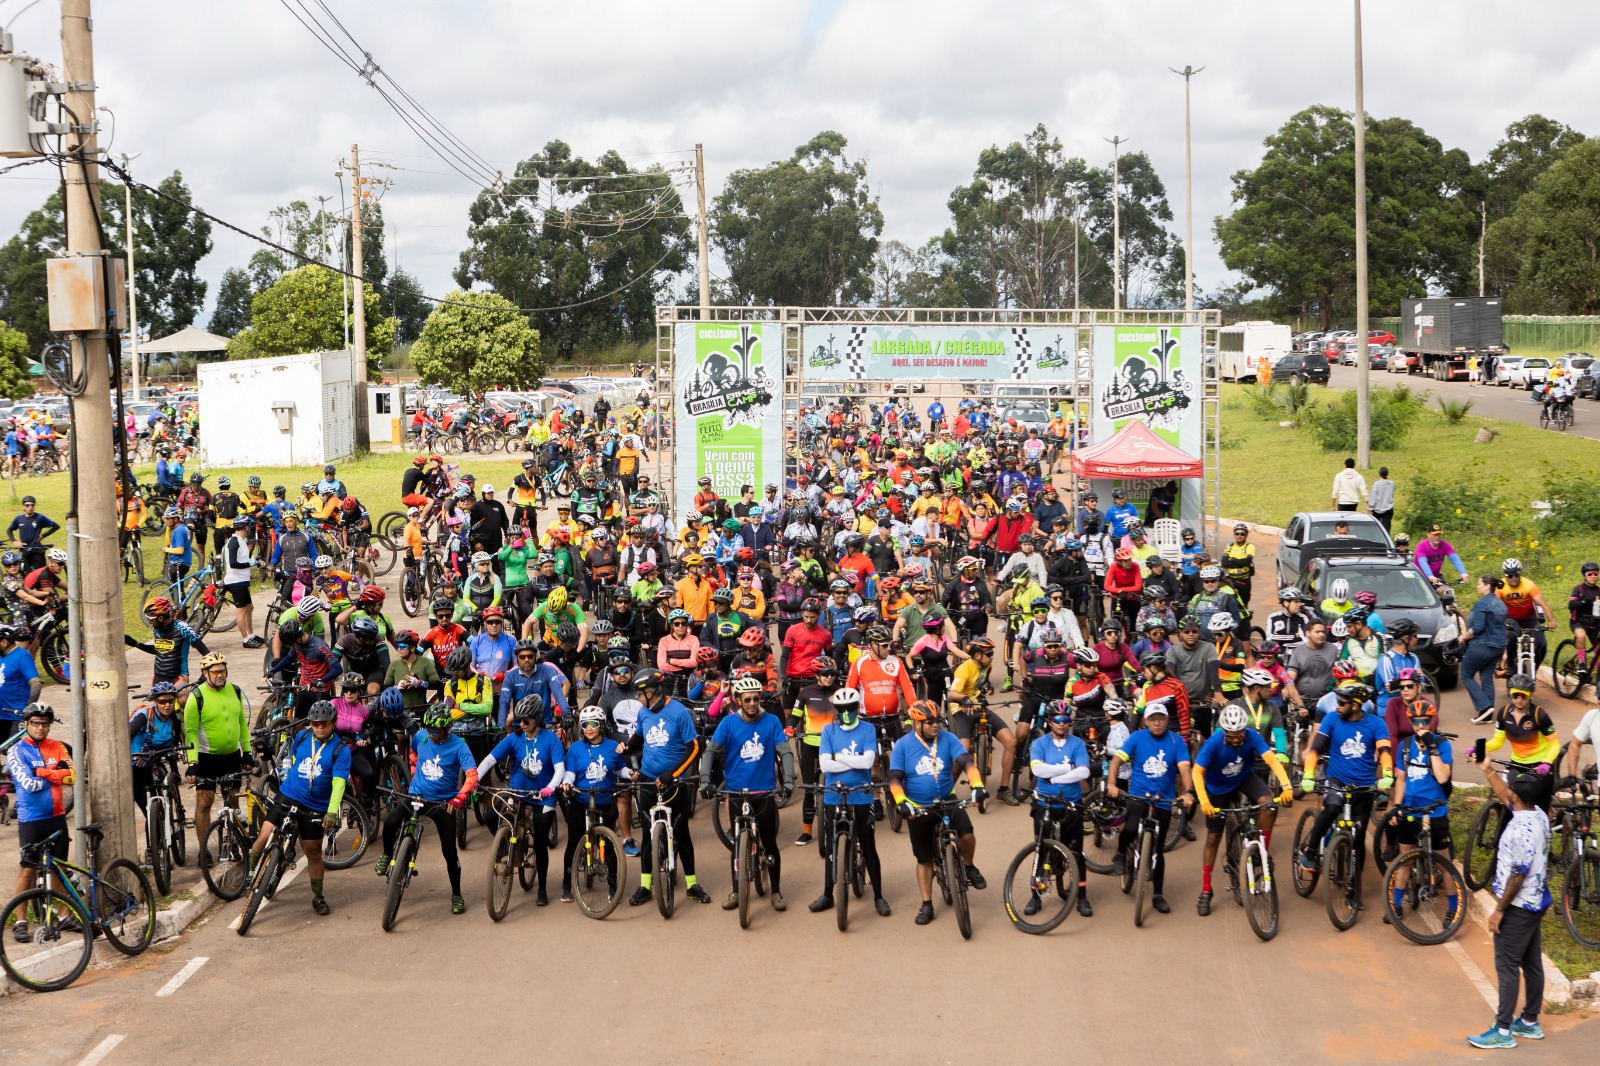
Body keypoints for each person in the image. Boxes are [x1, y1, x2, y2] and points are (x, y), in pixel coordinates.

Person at [1463, 755, 1552, 1049]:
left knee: (1507, 964)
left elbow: (1517, 874)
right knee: (1531, 962)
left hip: (1517, 906)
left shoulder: (1521, 829)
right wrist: (1487, 770)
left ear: (1518, 796)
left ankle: (1502, 1031)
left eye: (1512, 789)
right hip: (1536, 901)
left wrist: (1499, 911)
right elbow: (1505, 794)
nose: (1508, 790)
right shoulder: (1537, 814)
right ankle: (1529, 1022)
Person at [888, 699, 987, 926]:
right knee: (924, 859)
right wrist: (901, 801)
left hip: (946, 799)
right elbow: (894, 777)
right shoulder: (902, 745)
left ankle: (969, 867)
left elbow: (966, 761)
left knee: (967, 833)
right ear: (916, 723)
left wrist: (977, 785)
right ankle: (927, 903)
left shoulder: (948, 738)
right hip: (918, 805)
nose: (935, 726)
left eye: (937, 721)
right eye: (929, 722)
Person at [1192, 700, 1293, 916]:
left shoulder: (1252, 736)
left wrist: (1286, 787)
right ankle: (1206, 890)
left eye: (1239, 733)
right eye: (1231, 734)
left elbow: (1273, 762)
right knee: (1213, 838)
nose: (1237, 738)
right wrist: (1204, 802)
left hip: (1244, 778)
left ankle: (1261, 851)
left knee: (1268, 805)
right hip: (1217, 788)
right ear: (1224, 732)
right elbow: (1197, 771)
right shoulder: (1213, 743)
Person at [701, 676, 795, 911]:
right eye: (748, 699)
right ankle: (736, 891)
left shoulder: (771, 721)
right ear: (738, 700)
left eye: (756, 698)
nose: (753, 703)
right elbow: (711, 751)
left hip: (764, 792)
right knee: (736, 847)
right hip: (736, 792)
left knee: (770, 843)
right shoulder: (728, 724)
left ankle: (776, 891)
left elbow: (785, 751)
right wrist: (704, 780)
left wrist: (790, 780)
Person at [376, 702, 478, 915]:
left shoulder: (459, 746)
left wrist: (458, 799)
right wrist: (414, 771)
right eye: (429, 729)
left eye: (436, 731)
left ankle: (457, 894)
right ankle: (387, 855)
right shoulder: (421, 736)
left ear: (447, 728)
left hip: (442, 803)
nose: (431, 734)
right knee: (391, 823)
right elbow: (413, 753)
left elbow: (472, 775)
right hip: (416, 796)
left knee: (449, 852)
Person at [252, 700, 349, 916]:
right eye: (316, 723)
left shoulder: (341, 751)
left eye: (325, 723)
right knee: (263, 837)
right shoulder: (303, 737)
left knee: (313, 852)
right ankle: (251, 876)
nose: (320, 727)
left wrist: (332, 811)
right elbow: (295, 758)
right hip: (289, 794)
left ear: (333, 723)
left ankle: (318, 897)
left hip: (317, 805)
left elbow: (339, 783)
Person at [1298, 680, 1392, 896]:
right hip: (1336, 779)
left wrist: (1387, 775)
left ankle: (1354, 888)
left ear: (1356, 705)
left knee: (1358, 839)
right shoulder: (1332, 719)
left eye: (1341, 702)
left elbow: (1385, 751)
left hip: (1364, 785)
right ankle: (1311, 851)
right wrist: (1309, 776)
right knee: (1330, 809)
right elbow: (1314, 749)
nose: (1337, 706)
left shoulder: (1376, 724)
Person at [626, 668, 712, 906]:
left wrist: (672, 774)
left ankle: (692, 884)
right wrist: (627, 747)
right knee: (646, 835)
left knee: (682, 833)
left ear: (651, 692)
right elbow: (640, 737)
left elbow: (693, 747)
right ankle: (645, 886)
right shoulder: (644, 712)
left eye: (639, 693)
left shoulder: (679, 712)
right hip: (647, 779)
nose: (637, 698)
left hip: (674, 782)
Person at [1106, 698, 1194, 915]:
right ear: (1145, 721)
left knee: (1158, 848)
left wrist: (1188, 792)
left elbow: (1184, 768)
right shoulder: (1137, 738)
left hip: (1163, 799)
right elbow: (1117, 760)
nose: (1157, 723)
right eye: (1152, 719)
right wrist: (1111, 783)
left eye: (1161, 719)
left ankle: (1157, 895)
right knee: (1129, 827)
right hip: (1138, 795)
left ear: (1167, 720)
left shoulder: (1176, 742)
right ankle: (1119, 853)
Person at [810, 686, 891, 916]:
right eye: (842, 709)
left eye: (851, 708)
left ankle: (878, 896)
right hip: (833, 794)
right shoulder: (828, 731)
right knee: (831, 845)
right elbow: (825, 766)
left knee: (869, 846)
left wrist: (839, 757)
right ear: (837, 709)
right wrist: (853, 760)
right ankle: (827, 894)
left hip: (861, 794)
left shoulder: (868, 729)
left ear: (857, 708)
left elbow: (867, 763)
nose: (847, 713)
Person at [479, 694, 565, 905]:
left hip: (542, 796)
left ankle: (542, 889)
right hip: (518, 791)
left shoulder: (550, 739)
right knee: (492, 815)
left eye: (526, 720)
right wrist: (475, 778)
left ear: (537, 718)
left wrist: (550, 787)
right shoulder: (514, 738)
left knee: (541, 843)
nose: (522, 724)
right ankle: (504, 846)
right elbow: (491, 758)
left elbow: (560, 769)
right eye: (519, 720)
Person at [7, 704, 73, 940]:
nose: (40, 727)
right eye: (35, 723)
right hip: (32, 819)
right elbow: (28, 785)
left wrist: (44, 773)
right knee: (28, 869)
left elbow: (72, 777)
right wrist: (55, 774)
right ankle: (21, 922)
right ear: (26, 724)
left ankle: (64, 917)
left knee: (59, 869)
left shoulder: (58, 746)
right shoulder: (17, 751)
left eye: (45, 723)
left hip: (57, 816)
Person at [1026, 700, 1096, 917]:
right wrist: (1068, 768)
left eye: (1066, 720)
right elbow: (1038, 770)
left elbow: (1084, 773)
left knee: (1076, 854)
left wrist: (1053, 776)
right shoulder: (1039, 744)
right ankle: (1035, 897)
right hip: (1044, 803)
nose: (1062, 724)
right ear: (1049, 721)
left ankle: (1082, 897)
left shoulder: (1077, 744)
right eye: (1058, 720)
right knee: (1041, 849)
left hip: (1072, 804)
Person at [184, 651, 251, 864]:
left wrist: (247, 751)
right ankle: (204, 850)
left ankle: (232, 844)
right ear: (205, 673)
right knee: (204, 803)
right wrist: (192, 763)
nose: (220, 675)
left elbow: (241, 723)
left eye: (223, 670)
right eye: (215, 672)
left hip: (231, 756)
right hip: (206, 758)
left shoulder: (235, 691)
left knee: (233, 800)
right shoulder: (197, 698)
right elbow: (191, 732)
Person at [1486, 674, 1560, 813]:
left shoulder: (1539, 715)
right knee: (1510, 805)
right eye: (1515, 695)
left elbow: (1554, 744)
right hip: (1516, 764)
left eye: (1523, 696)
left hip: (1540, 766)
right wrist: (1479, 748)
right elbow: (1497, 741)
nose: (1519, 700)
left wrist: (1547, 763)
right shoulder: (1503, 713)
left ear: (1530, 695)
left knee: (1540, 809)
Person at [1459, 574, 1510, 724]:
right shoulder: (1501, 604)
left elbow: (1478, 628)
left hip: (1482, 646)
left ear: (1488, 586)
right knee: (1486, 678)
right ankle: (1486, 715)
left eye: (1479, 583)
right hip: (1498, 648)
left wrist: (1463, 637)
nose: (1477, 586)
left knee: (1466, 675)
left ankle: (1485, 706)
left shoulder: (1482, 604)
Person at [0, 623, 42, 743]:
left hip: (16, 714)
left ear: (4, 642)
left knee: (14, 750)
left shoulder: (22, 656)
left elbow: (36, 683)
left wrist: (28, 708)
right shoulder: (1, 656)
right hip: (1, 712)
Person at [8, 496, 60, 573]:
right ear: (23, 507)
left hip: (37, 550)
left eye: (32, 505)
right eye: (27, 505)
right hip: (24, 551)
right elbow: (9, 530)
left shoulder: (40, 517)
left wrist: (43, 536)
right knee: (26, 575)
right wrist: (14, 541)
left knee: (40, 574)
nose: (30, 507)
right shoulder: (19, 518)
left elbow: (56, 526)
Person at [1367, 467, 1395, 532]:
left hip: (1377, 509)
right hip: (1388, 508)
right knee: (1386, 529)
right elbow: (1392, 495)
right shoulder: (1392, 483)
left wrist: (1369, 508)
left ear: (1380, 474)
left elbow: (1373, 497)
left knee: (1375, 529)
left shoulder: (1376, 484)